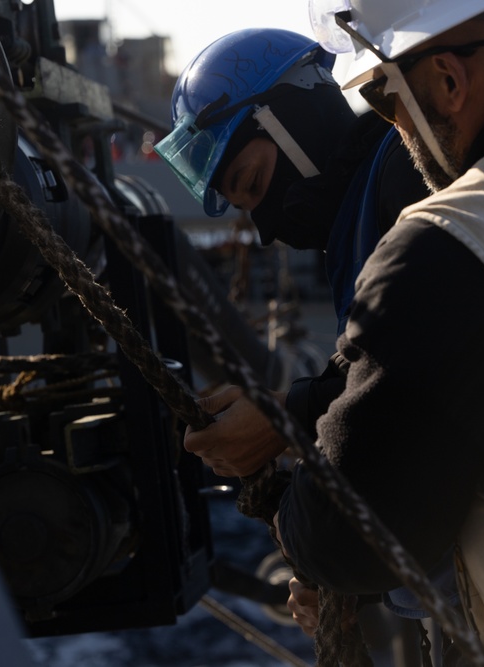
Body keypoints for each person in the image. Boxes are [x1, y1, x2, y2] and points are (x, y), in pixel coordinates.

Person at [185, 1, 484, 664]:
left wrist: (289, 465)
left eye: (387, 101)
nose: (396, 132)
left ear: (447, 80)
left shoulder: (444, 234)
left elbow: (352, 528)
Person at [155, 27, 447, 638]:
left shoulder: (403, 183)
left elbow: (427, 375)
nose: (263, 229)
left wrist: (290, 414)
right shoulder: (362, 212)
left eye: (256, 185)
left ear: (290, 121)